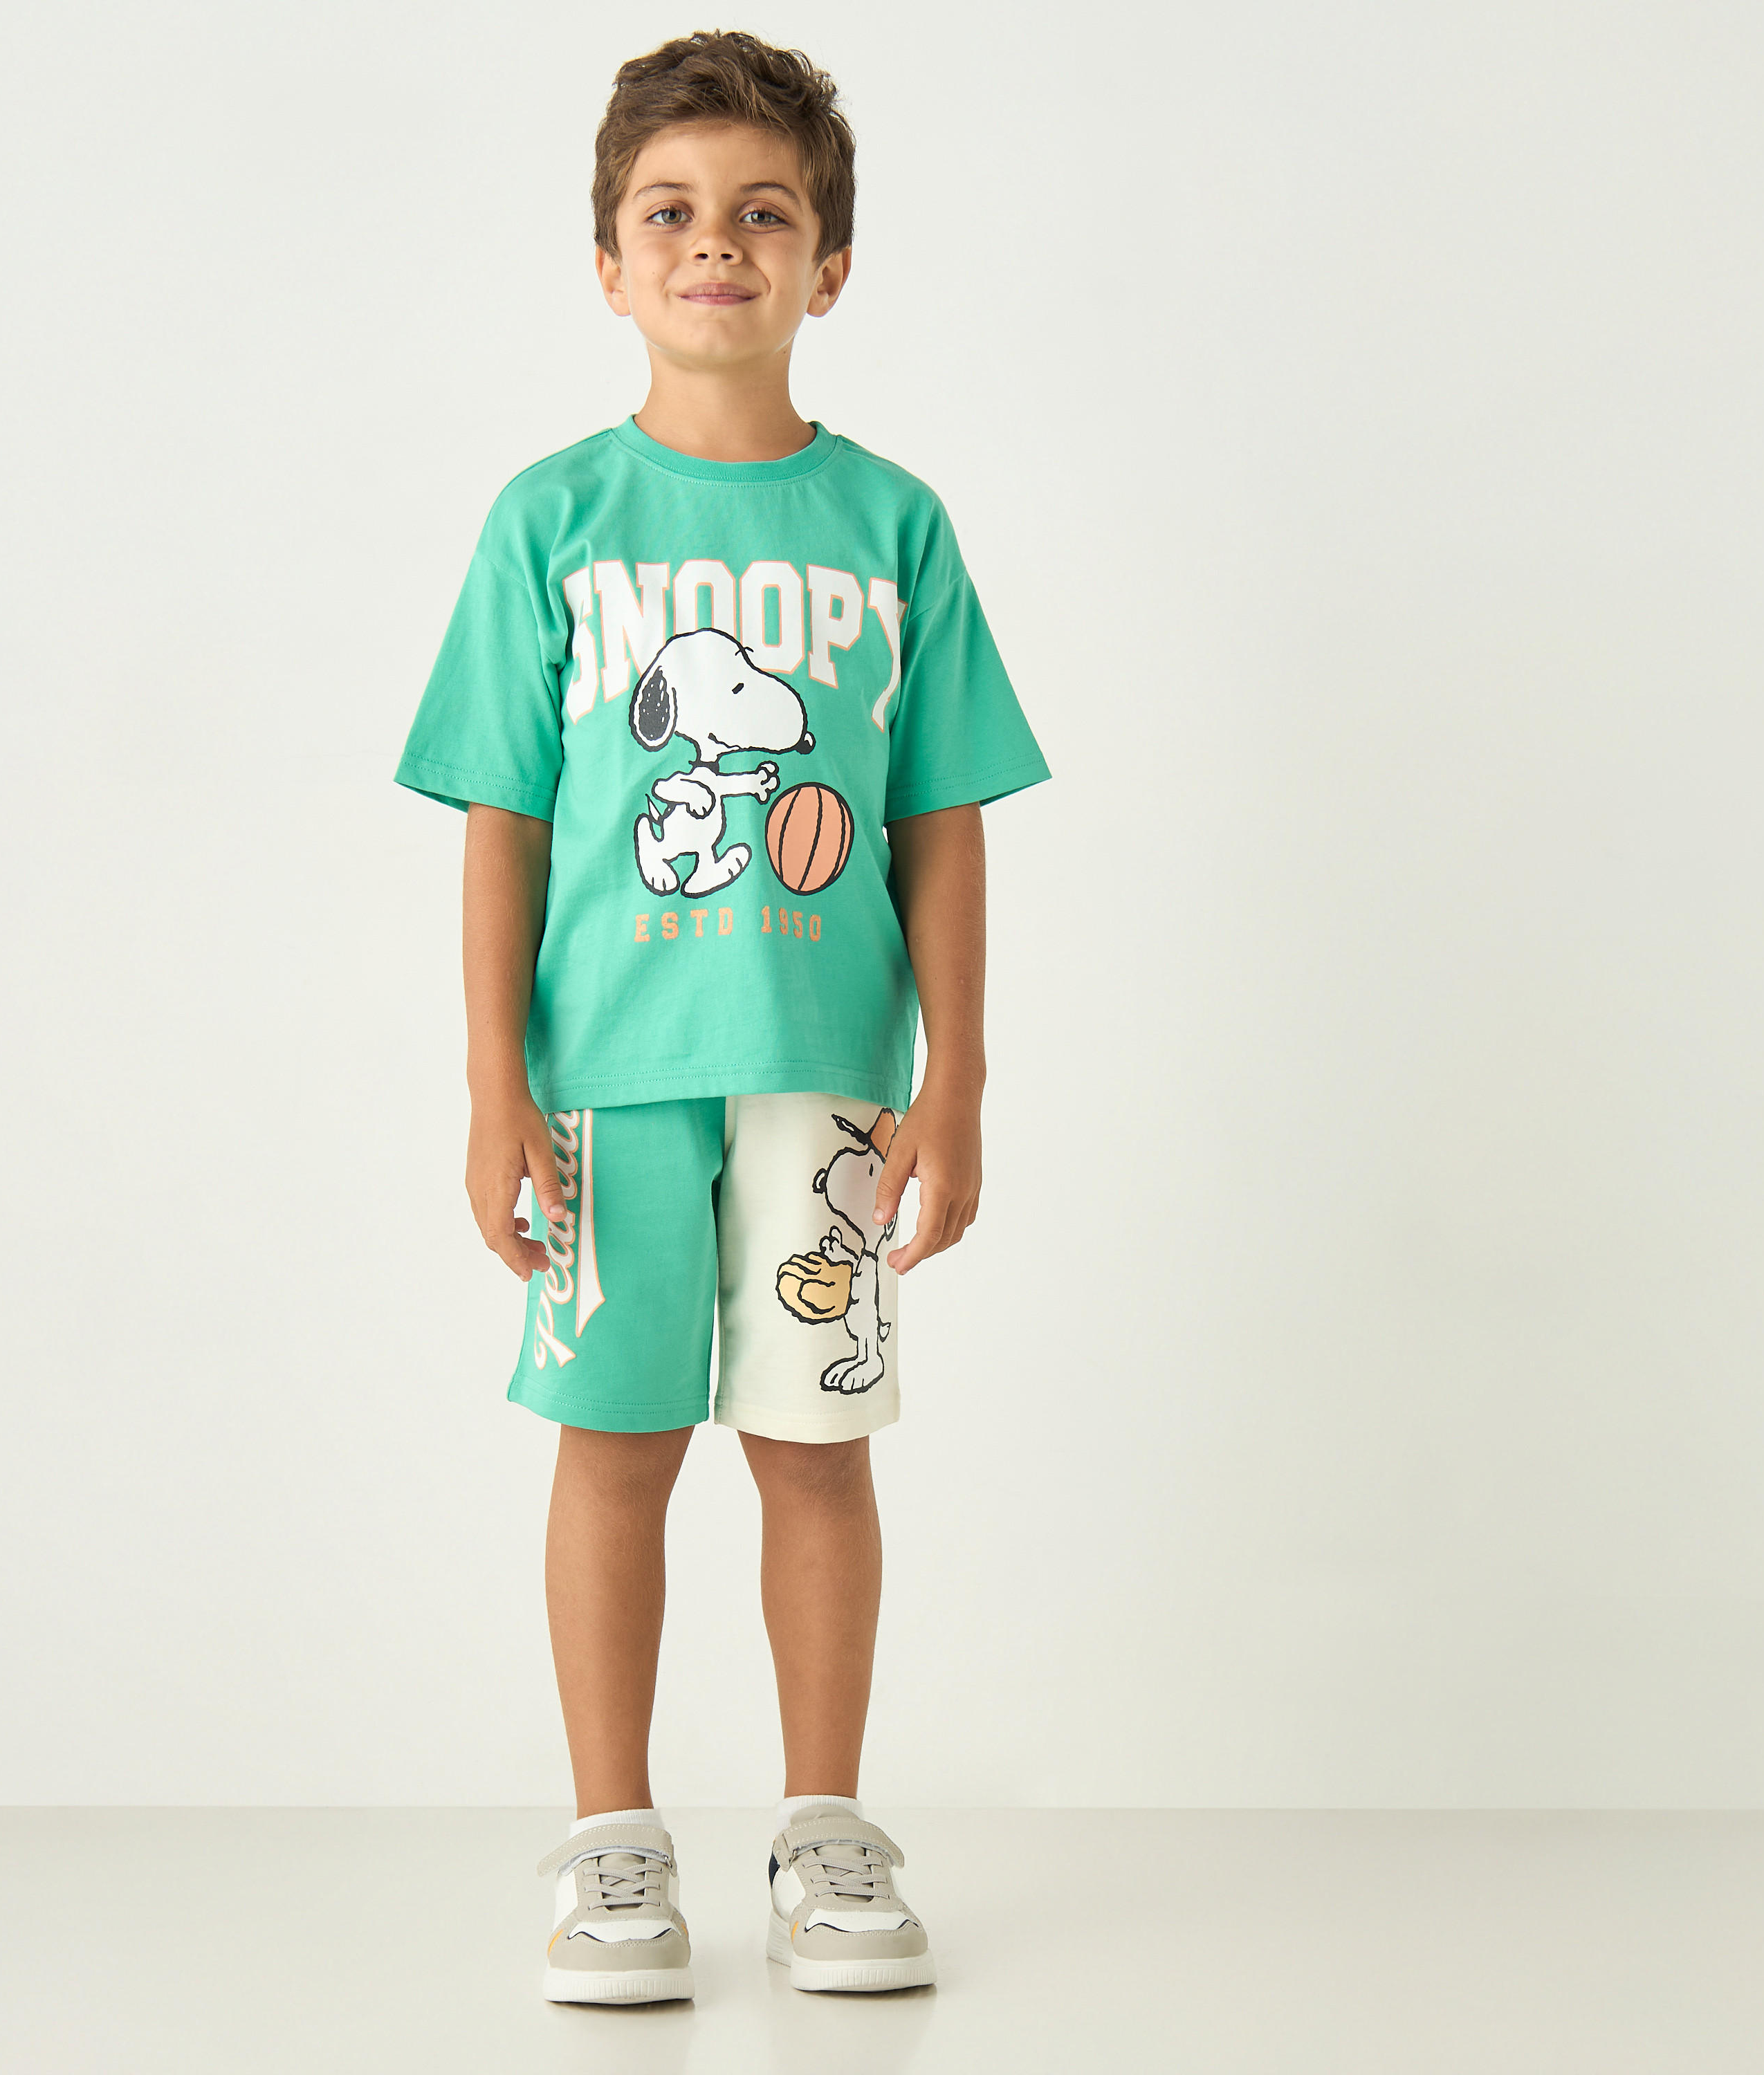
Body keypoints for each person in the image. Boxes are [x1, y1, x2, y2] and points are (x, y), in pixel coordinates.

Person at [395, 28, 1049, 2004]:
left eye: (764, 214)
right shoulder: (551, 523)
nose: (714, 245)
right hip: (602, 1089)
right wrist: (493, 1090)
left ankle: (825, 1832)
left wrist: (957, 1081)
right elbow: (504, 825)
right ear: (607, 263)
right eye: (669, 213)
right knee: (613, 1450)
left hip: (830, 1086)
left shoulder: (894, 526)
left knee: (816, 1455)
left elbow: (941, 819)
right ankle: (612, 1844)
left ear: (828, 265)